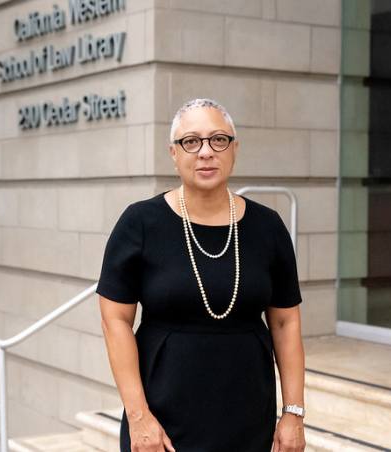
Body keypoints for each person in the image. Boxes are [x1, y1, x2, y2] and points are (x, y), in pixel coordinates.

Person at [97, 98, 306, 452]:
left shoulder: (268, 227)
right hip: (162, 418)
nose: (206, 152)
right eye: (191, 141)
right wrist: (138, 416)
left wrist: (293, 413)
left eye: (218, 140)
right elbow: (114, 319)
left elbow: (286, 323)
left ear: (234, 149)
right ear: (173, 153)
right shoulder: (140, 223)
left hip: (248, 415)